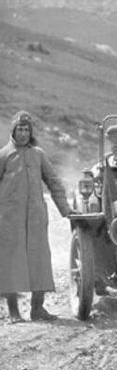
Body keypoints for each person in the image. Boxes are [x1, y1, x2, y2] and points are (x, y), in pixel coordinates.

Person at [0, 110, 72, 322]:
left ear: (30, 132)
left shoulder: (39, 154)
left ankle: (37, 309)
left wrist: (65, 209)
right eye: (20, 129)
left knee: (39, 259)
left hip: (36, 217)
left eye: (26, 130)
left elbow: (53, 181)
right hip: (9, 219)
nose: (23, 133)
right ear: (13, 131)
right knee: (10, 262)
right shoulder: (4, 155)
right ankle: (14, 312)